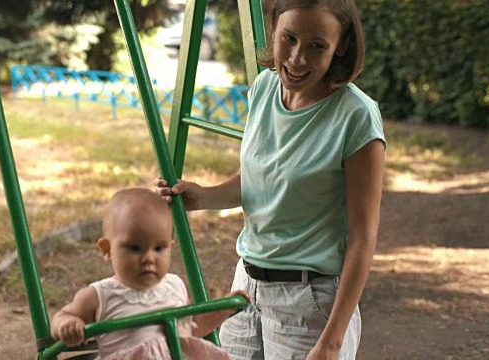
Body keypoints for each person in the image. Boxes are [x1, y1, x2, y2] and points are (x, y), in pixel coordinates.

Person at [155, 0, 386, 359]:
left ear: (340, 46)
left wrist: (331, 341)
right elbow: (259, 180)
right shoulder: (264, 88)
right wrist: (201, 197)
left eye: (316, 46)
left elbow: (362, 237)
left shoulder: (356, 118)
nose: (296, 59)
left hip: (310, 302)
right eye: (288, 39)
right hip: (245, 289)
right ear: (273, 31)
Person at [51, 187, 252, 360]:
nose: (149, 258)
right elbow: (64, 316)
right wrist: (68, 324)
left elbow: (191, 328)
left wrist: (223, 310)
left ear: (171, 247)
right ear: (107, 249)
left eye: (159, 248)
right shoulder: (100, 295)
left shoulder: (173, 286)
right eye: (135, 248)